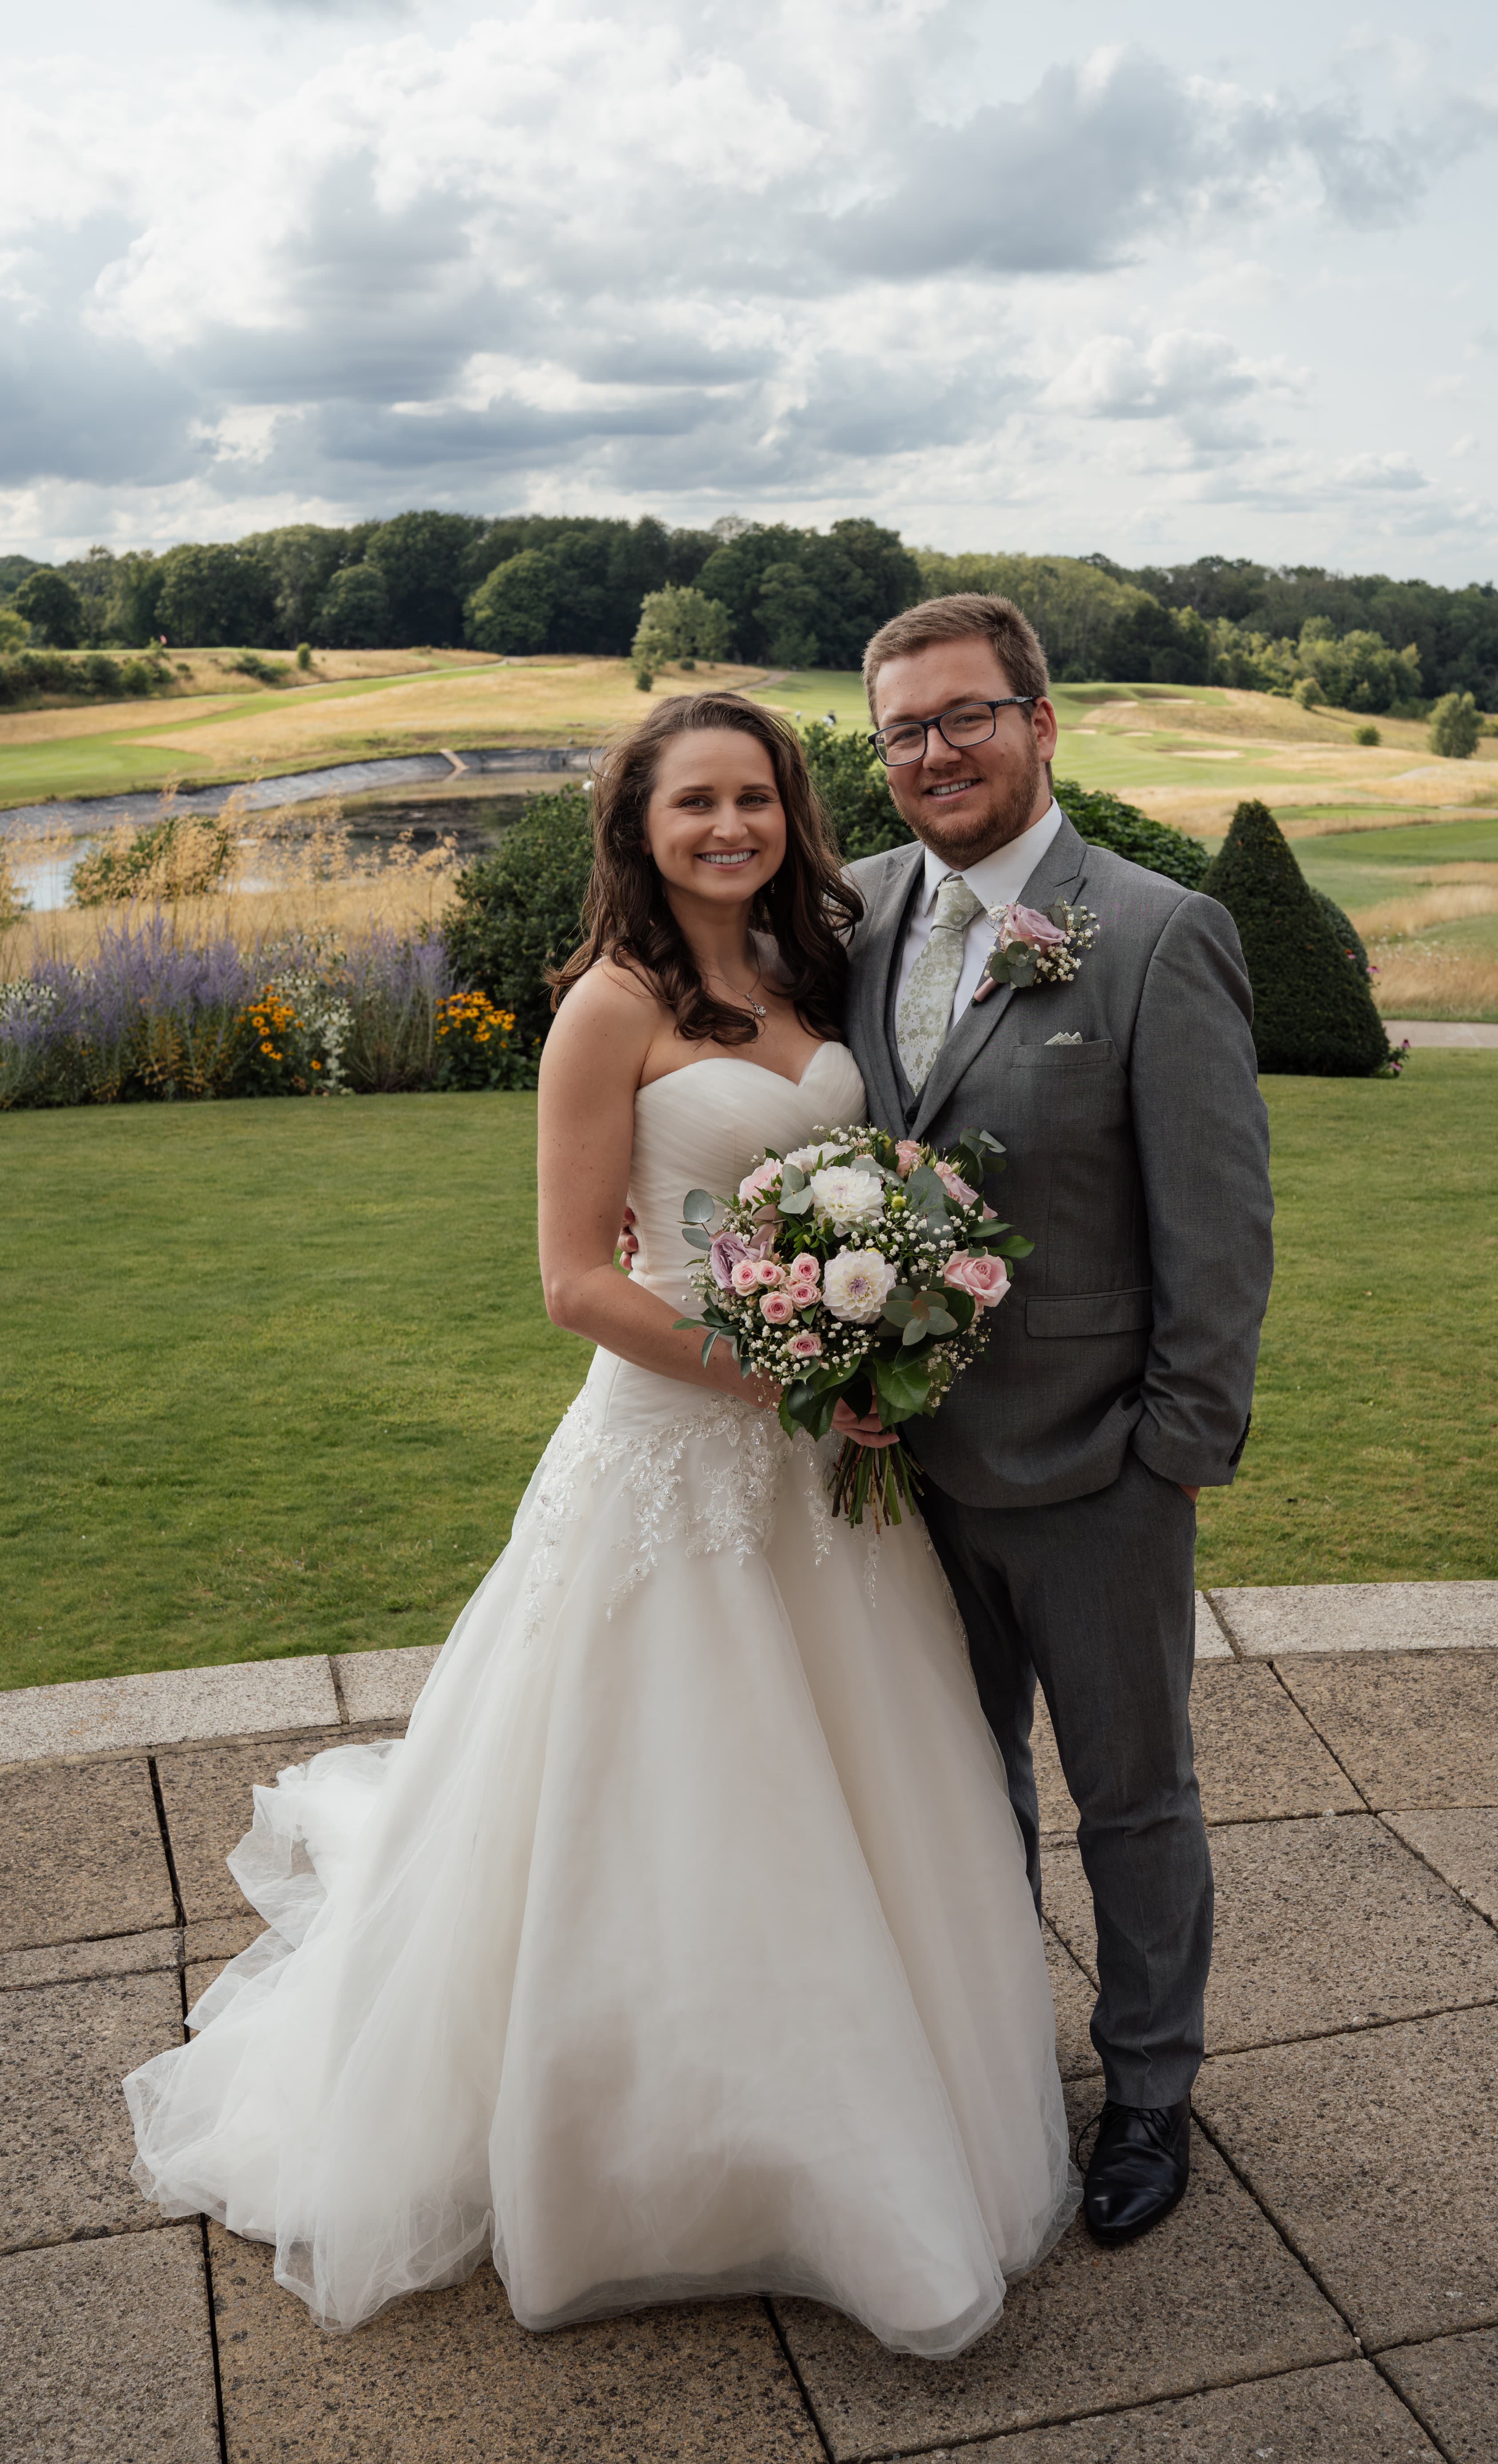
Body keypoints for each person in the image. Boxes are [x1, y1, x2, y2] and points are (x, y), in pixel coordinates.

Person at [124, 690, 1076, 2355]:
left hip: (821, 1463)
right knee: (663, 1795)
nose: (731, 827)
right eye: (695, 802)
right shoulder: (606, 1009)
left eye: (758, 798)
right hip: (673, 1451)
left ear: (794, 813)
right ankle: (639, 2163)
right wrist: (783, 1375)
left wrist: (875, 1340)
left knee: (849, 1786)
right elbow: (575, 1282)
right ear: (638, 828)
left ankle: (847, 2107)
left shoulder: (809, 973)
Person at [839, 594, 1273, 2247]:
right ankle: (996, 2074)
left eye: (966, 717)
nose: (936, 753)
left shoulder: (1161, 934)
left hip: (1097, 1470)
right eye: (904, 732)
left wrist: (1170, 1449)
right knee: (962, 1798)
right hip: (891, 1480)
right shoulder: (854, 911)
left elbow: (1218, 1234)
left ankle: (1150, 2094)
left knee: (1132, 1796)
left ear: (1039, 719)